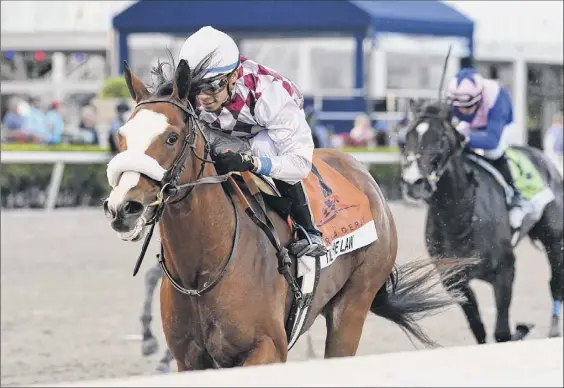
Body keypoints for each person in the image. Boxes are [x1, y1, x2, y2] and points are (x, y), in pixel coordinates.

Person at [178, 26, 327, 257]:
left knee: (263, 144)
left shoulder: (271, 94)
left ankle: (308, 231)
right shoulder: (191, 92)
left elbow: (300, 165)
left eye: (213, 86)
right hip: (217, 133)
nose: (203, 97)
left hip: (265, 135)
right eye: (196, 87)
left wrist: (252, 162)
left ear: (234, 76)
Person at [446, 67, 525, 229]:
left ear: (479, 97)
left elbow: (491, 141)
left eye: (468, 106)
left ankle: (515, 197)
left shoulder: (497, 99)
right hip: (475, 124)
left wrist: (465, 139)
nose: (462, 111)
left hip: (501, 127)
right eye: (459, 107)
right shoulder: (457, 97)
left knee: (493, 152)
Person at [543, 112, 563, 176]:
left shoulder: (551, 131)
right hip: (558, 157)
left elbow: (547, 145)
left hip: (553, 156)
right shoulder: (559, 130)